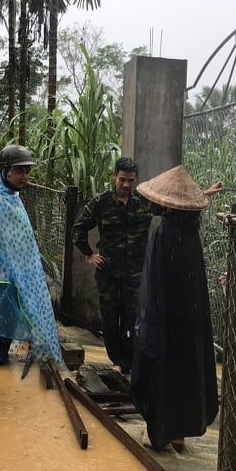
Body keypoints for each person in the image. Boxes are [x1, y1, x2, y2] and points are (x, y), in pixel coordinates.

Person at [131, 165, 223, 451]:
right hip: (188, 318)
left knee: (158, 366)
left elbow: (154, 284)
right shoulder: (190, 232)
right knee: (185, 367)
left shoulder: (163, 229)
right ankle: (179, 432)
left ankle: (159, 430)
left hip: (162, 316)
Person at [0, 144, 63, 373]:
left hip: (18, 269)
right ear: (6, 171)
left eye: (27, 171)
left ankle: (2, 357)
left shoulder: (10, 193)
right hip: (1, 273)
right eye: (20, 171)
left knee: (10, 314)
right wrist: (6, 265)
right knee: (3, 313)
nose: (25, 176)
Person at [71, 158, 159, 375]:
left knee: (132, 317)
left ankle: (128, 362)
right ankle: (117, 361)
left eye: (130, 180)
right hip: (109, 272)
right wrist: (90, 255)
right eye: (122, 180)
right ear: (114, 176)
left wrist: (204, 194)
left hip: (135, 273)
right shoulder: (101, 202)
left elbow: (172, 206)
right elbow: (78, 230)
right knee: (110, 318)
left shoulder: (144, 202)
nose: (126, 185)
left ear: (136, 179)